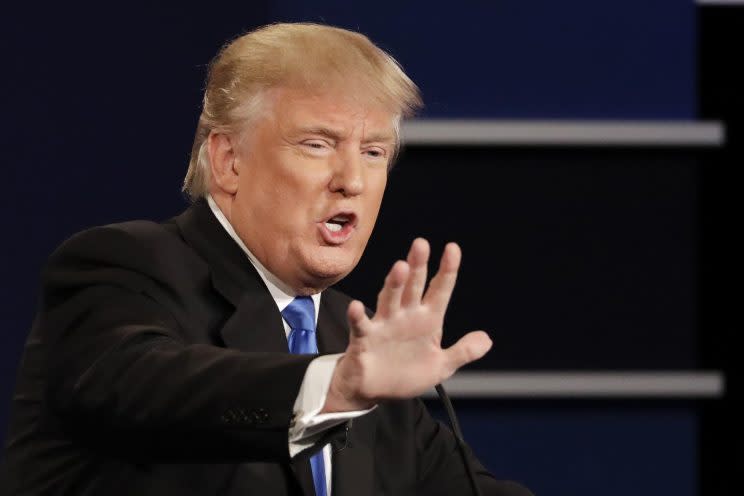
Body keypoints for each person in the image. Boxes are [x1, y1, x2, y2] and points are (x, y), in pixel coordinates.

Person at [1, 23, 531, 496]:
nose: (352, 179)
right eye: (317, 144)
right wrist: (331, 387)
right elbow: (153, 387)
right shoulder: (124, 268)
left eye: (373, 152)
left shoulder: (353, 341)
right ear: (229, 161)